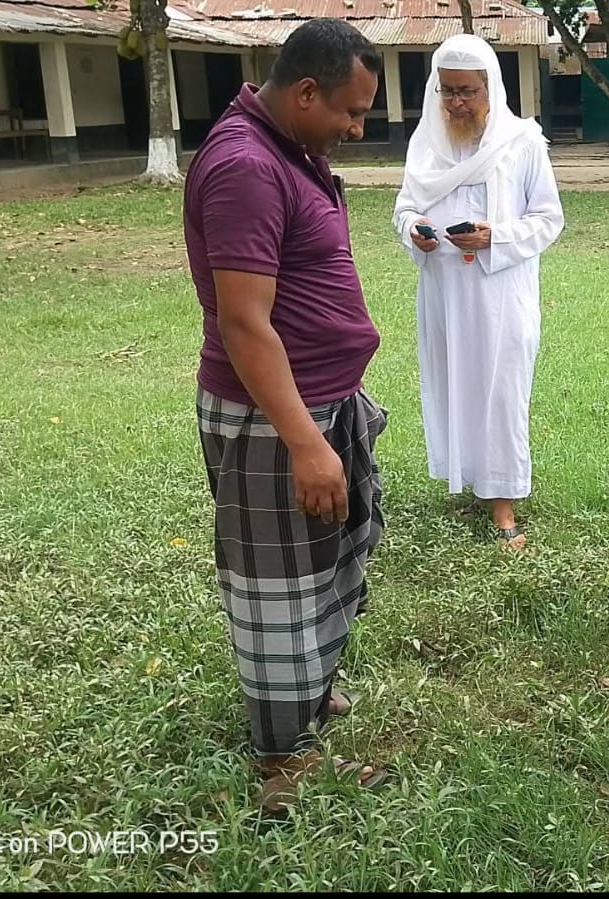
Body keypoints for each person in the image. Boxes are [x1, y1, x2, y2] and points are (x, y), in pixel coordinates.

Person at [184, 18, 389, 815]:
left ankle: (306, 692)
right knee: (278, 593)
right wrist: (304, 441)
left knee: (327, 563)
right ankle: (283, 760)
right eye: (350, 111)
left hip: (323, 401)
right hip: (276, 419)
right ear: (306, 92)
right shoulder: (245, 165)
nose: (356, 128)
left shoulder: (291, 149)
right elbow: (243, 322)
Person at [393, 34, 564, 550]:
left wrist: (496, 236)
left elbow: (548, 219)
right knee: (454, 384)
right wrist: (415, 230)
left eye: (467, 91)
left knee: (501, 391)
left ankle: (504, 500)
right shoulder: (425, 142)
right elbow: (404, 208)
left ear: (490, 87)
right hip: (444, 292)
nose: (456, 102)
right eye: (447, 91)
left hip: (500, 293)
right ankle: (469, 477)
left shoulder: (522, 142)